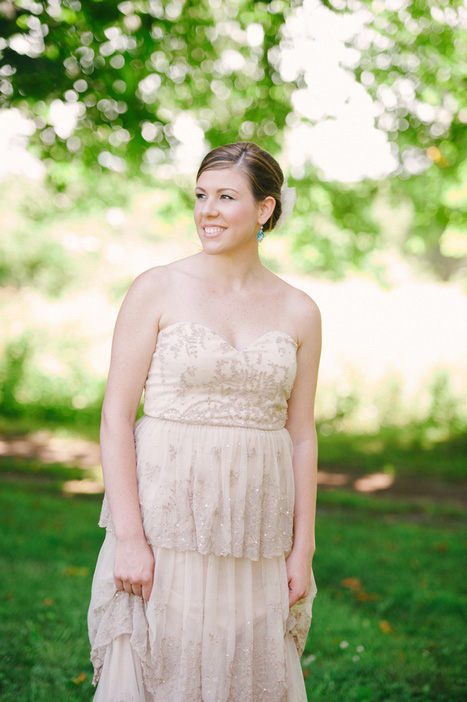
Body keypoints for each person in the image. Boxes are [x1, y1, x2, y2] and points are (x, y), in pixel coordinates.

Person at [87, 141, 322, 701]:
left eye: (225, 197)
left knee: (245, 665)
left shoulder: (300, 310)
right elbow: (116, 417)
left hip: (256, 529)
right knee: (161, 661)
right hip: (167, 521)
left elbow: (302, 434)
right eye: (199, 195)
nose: (206, 210)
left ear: (265, 209)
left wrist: (302, 548)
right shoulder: (157, 288)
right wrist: (129, 538)